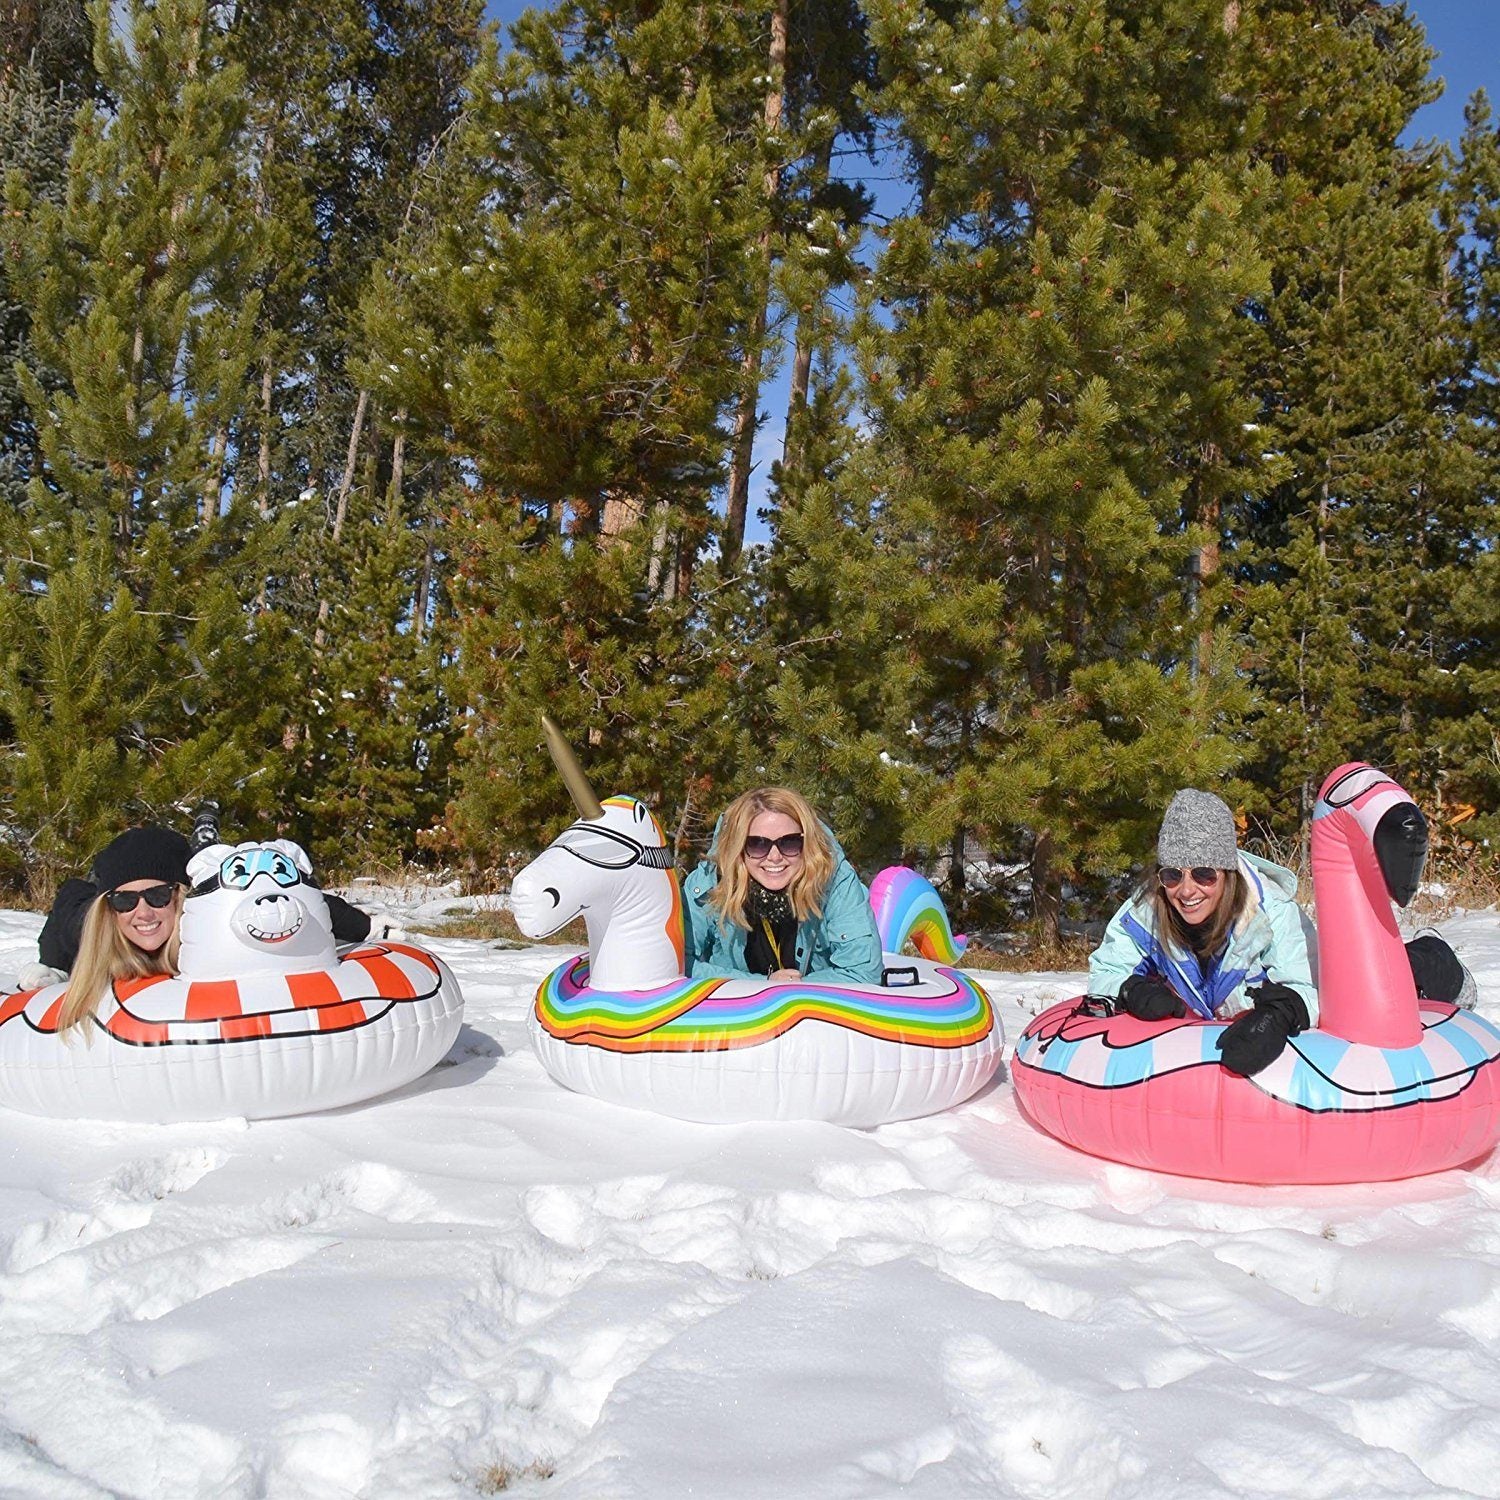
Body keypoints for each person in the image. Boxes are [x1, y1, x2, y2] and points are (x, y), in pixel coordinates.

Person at [1087, 789, 1318, 1077]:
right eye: (1173, 874)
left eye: (1203, 874)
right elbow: (1105, 971)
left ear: (1227, 873)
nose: (1186, 891)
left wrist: (1280, 1013)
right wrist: (1130, 989)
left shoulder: (1273, 913)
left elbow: (1309, 987)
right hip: (1177, 1066)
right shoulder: (1144, 913)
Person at [21, 825, 395, 1000]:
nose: (142, 912)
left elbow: (292, 903)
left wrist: (365, 927)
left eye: (156, 896)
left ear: (180, 896)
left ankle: (207, 839)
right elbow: (66, 906)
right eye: (125, 900)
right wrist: (49, 966)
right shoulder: (91, 924)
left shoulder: (206, 919)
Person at [681, 787, 883, 985]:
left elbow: (864, 974)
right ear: (738, 847)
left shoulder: (834, 878)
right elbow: (678, 965)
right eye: (757, 844)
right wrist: (764, 983)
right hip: (733, 1011)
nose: (775, 857)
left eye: (790, 842)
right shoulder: (710, 881)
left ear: (807, 842)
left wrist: (794, 987)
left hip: (816, 1011)